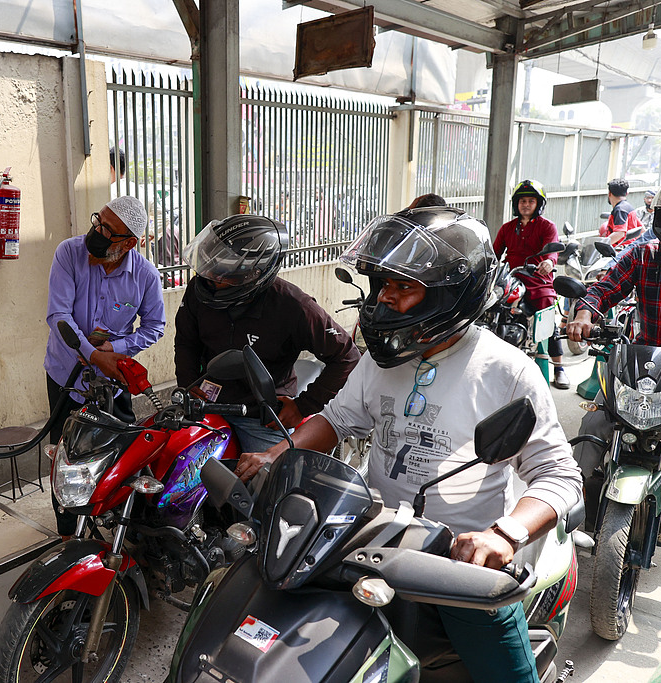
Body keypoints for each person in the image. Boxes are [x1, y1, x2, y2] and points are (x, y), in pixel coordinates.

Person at [236, 207, 582, 683]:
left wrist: (501, 537)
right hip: (371, 542)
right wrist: (278, 455)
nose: (382, 302)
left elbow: (559, 475)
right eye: (381, 287)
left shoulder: (507, 371)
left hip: (459, 568)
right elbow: (337, 419)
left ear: (447, 297)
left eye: (402, 288)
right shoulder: (382, 362)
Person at [174, 215, 360, 452]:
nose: (212, 278)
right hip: (205, 406)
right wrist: (189, 385)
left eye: (222, 272)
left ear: (253, 273)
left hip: (260, 417)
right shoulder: (200, 290)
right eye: (210, 267)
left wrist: (303, 407)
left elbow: (346, 356)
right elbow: (186, 342)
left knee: (269, 480)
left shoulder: (293, 305)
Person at [44, 195, 166, 536]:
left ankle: (120, 526)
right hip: (64, 373)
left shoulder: (144, 275)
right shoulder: (69, 253)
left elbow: (155, 325)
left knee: (122, 454)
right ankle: (68, 531)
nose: (95, 232)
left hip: (114, 380)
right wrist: (94, 355)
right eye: (98, 221)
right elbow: (59, 316)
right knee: (65, 456)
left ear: (129, 243)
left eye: (107, 230)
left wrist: (116, 347)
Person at [566, 177, 661, 476]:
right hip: (642, 366)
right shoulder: (643, 255)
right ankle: (570, 499)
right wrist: (585, 314)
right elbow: (602, 290)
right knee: (594, 423)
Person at [493, 180, 569, 389]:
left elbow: (551, 251)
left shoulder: (547, 226)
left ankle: (558, 367)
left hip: (538, 278)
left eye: (531, 201)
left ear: (538, 204)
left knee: (546, 310)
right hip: (511, 276)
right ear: (516, 204)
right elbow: (494, 253)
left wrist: (548, 261)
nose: (526, 204)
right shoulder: (507, 228)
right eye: (523, 201)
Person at [598, 178, 642, 245]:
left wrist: (602, 245)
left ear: (609, 193)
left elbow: (620, 233)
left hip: (620, 251)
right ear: (626, 193)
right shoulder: (629, 208)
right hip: (629, 249)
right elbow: (641, 229)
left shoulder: (620, 210)